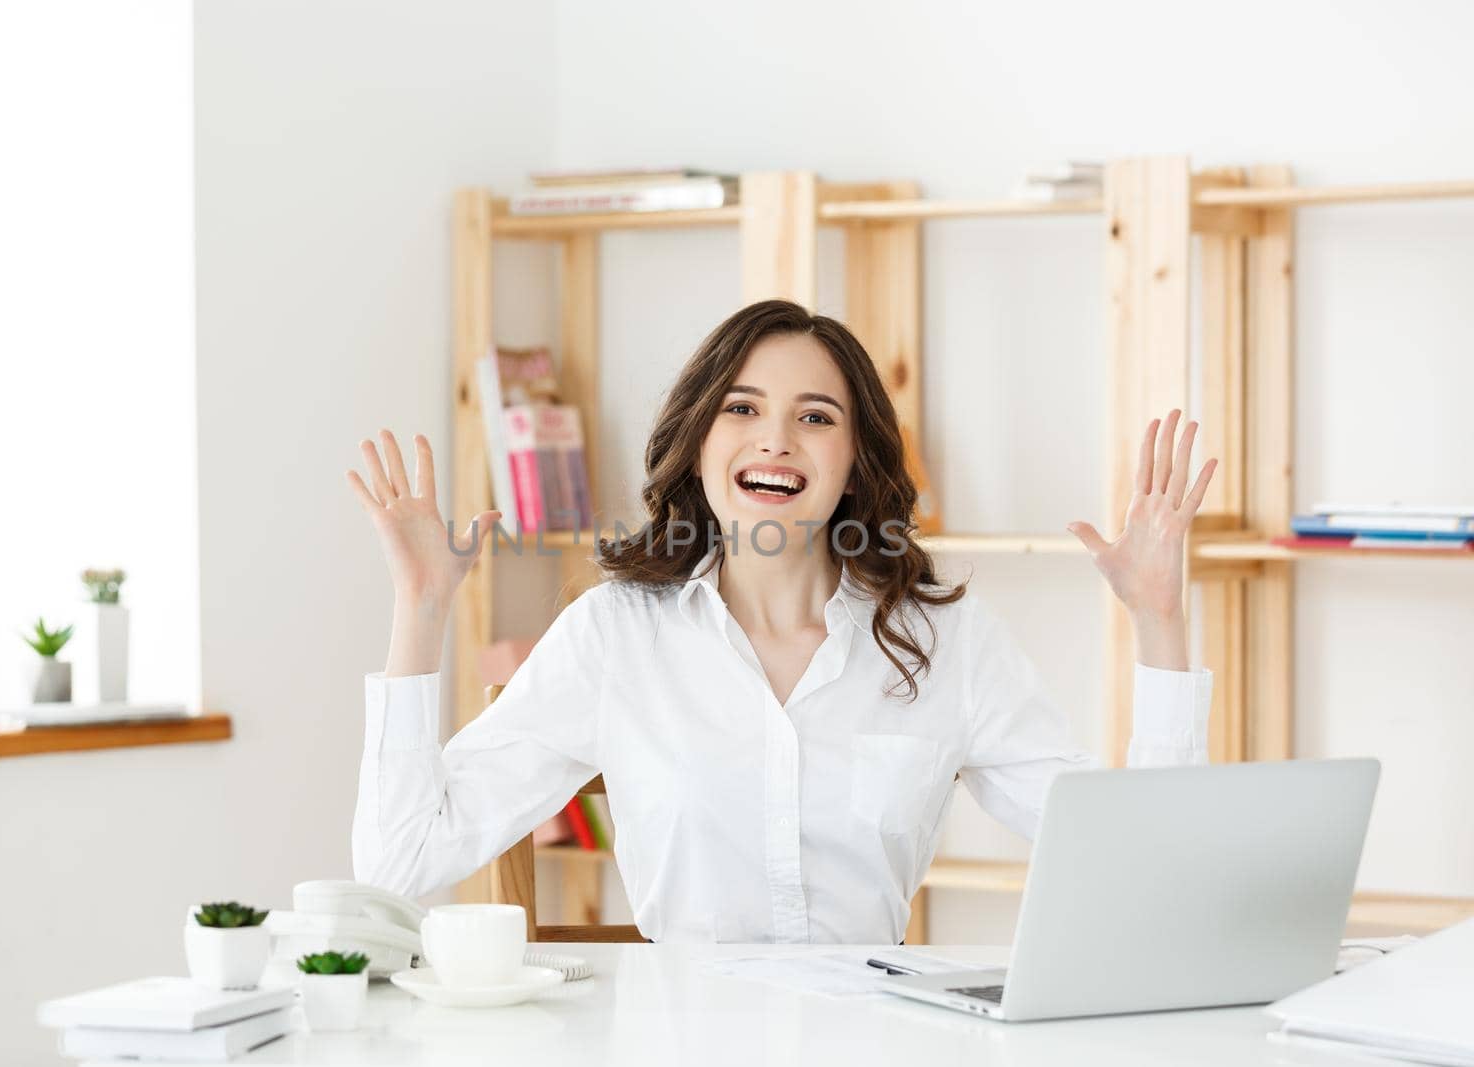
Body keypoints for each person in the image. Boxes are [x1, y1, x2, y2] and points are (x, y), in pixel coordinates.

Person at [345, 299, 1217, 944]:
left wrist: (1162, 622)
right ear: (699, 441)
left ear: (855, 464)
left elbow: (1148, 864)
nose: (776, 440)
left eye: (815, 417)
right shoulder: (614, 635)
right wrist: (420, 612)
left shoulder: (945, 641)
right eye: (743, 408)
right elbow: (397, 863)